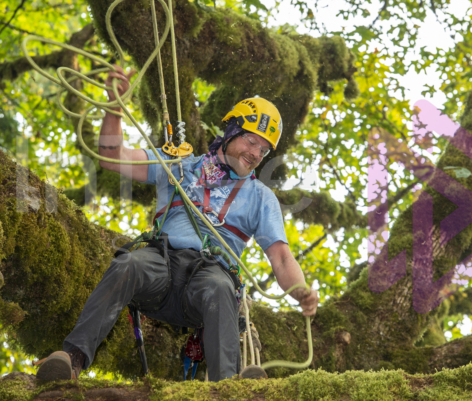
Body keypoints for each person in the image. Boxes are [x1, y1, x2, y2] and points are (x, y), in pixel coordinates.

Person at [36, 66, 319, 382]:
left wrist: (300, 291)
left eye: (263, 150)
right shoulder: (179, 166)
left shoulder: (260, 197)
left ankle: (226, 387)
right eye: (252, 141)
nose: (255, 154)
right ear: (232, 131)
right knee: (128, 263)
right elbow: (111, 157)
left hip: (209, 276)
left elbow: (280, 257)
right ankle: (71, 360)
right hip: (161, 263)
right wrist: (114, 109)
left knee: (220, 287)